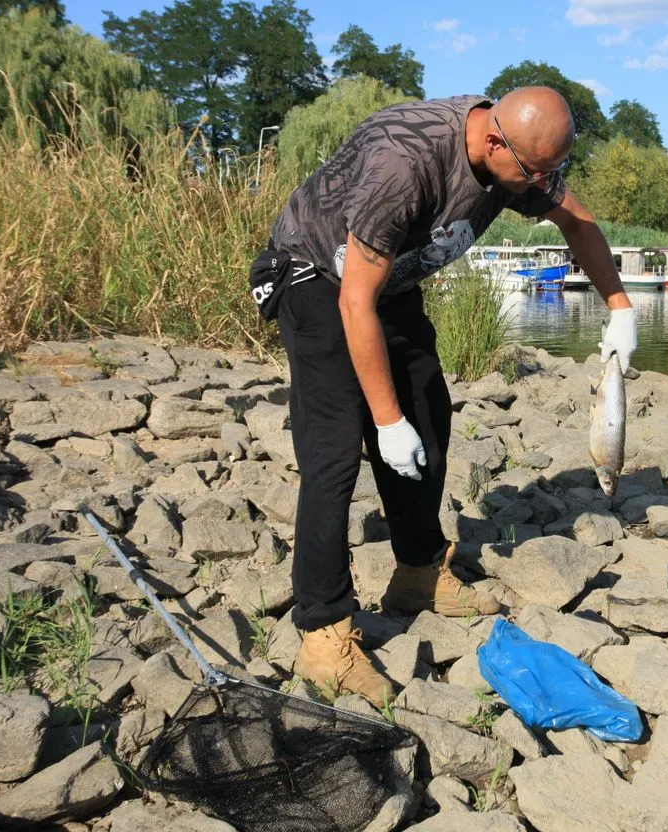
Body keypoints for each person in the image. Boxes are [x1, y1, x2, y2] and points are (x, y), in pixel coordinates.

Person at [247, 86, 636, 704]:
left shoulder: (519, 159)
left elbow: (577, 220)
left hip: (388, 285)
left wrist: (619, 307)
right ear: (493, 141)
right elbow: (354, 302)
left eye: (552, 171)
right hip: (316, 278)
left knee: (428, 416)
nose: (542, 186)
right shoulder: (405, 163)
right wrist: (385, 420)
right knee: (335, 450)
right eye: (535, 173)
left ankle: (418, 573)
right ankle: (322, 633)